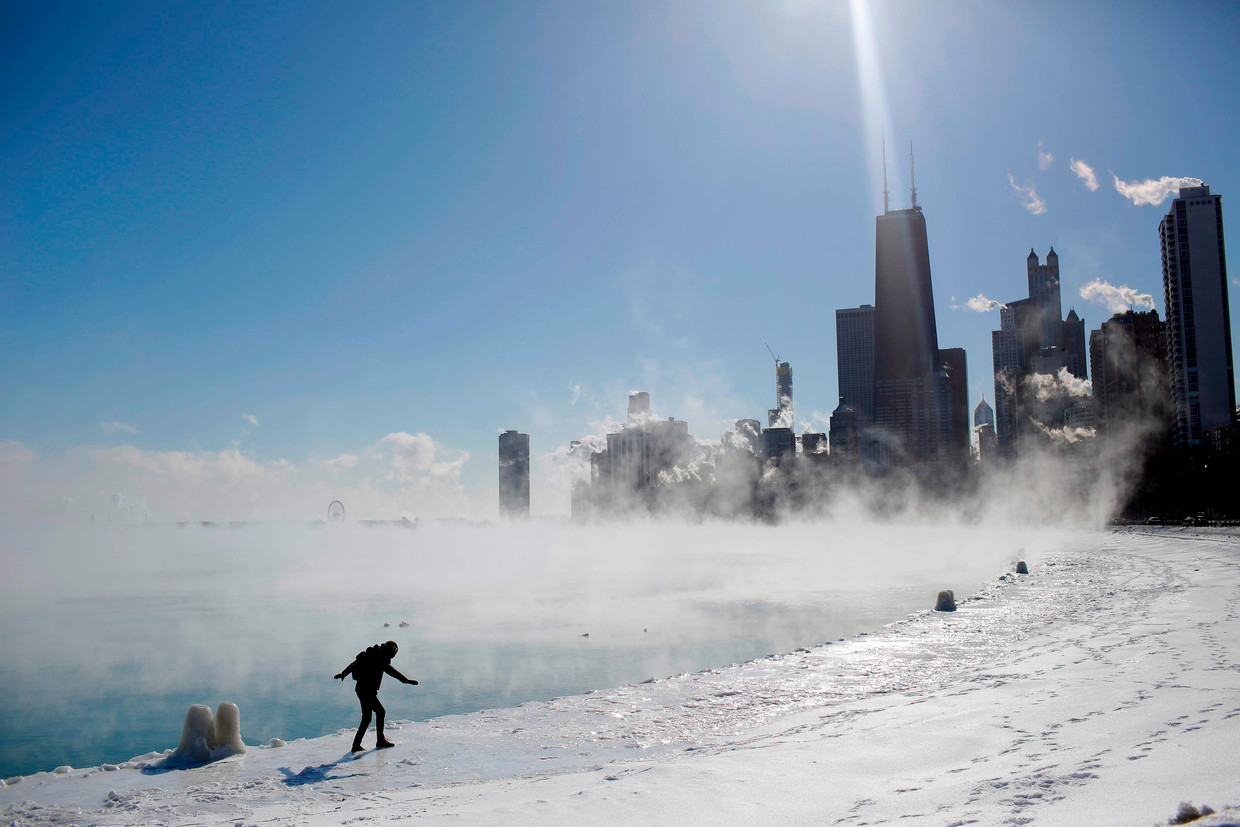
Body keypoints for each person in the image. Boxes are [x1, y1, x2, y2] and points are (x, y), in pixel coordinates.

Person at [334, 640, 418, 751]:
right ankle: (375, 742)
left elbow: (354, 664)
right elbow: (392, 671)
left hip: (362, 689)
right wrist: (406, 680)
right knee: (375, 714)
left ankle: (366, 743)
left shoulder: (373, 653)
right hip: (367, 690)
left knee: (371, 715)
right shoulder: (380, 657)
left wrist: (343, 673)